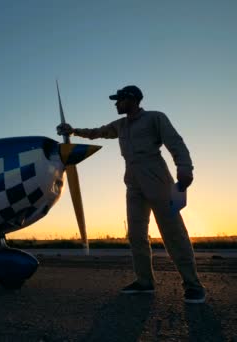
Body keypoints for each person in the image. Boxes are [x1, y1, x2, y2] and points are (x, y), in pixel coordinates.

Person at [57, 85, 206, 304]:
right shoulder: (120, 125)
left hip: (156, 176)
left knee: (173, 232)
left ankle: (193, 285)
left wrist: (185, 168)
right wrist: (73, 131)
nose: (116, 104)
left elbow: (175, 142)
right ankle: (145, 282)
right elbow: (97, 132)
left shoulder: (155, 118)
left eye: (118, 100)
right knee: (136, 234)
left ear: (131, 99)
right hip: (133, 182)